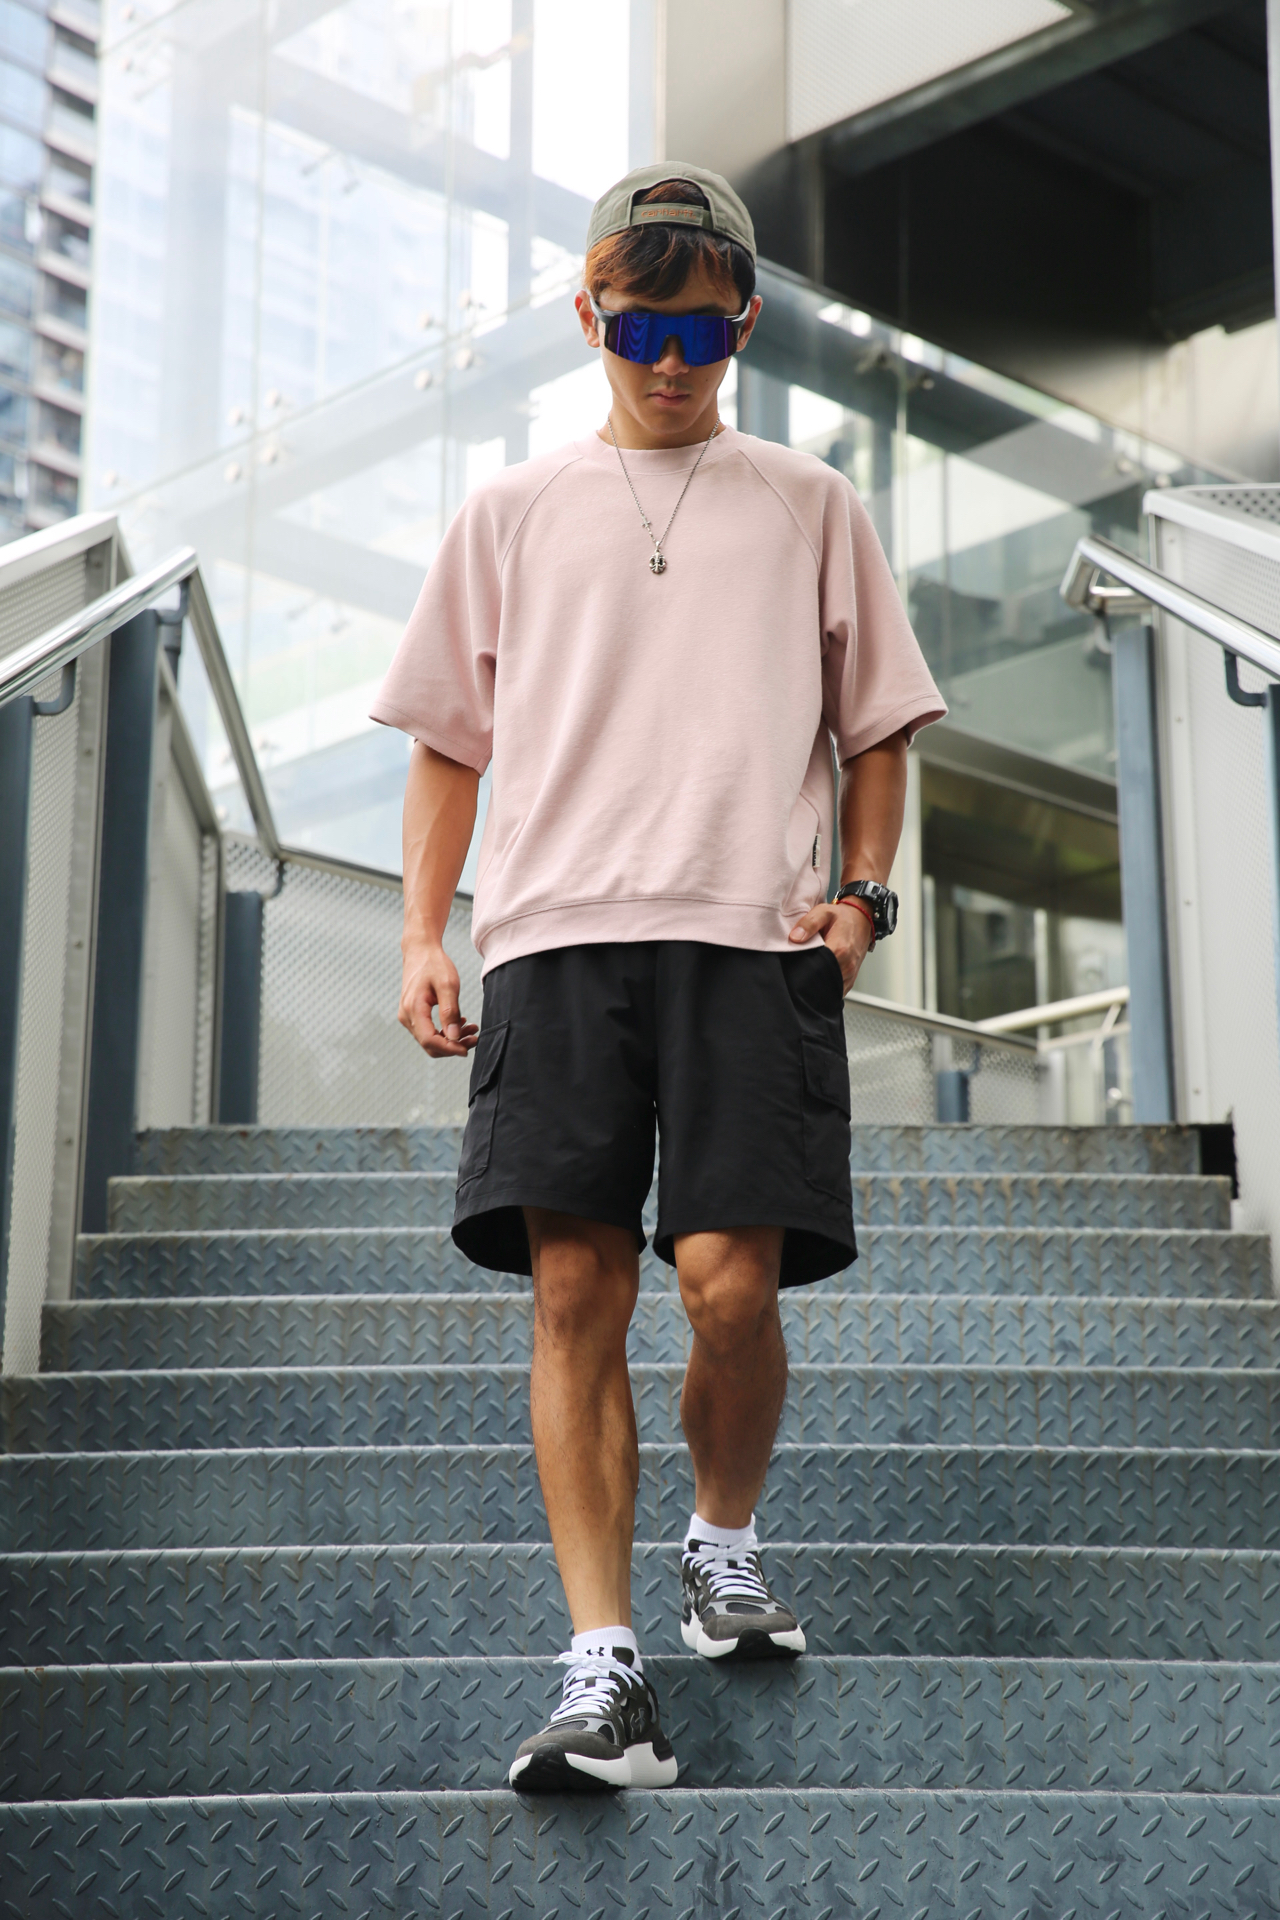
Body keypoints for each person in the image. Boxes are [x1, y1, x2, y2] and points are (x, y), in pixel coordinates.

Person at [371, 161, 945, 1793]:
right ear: (590, 318)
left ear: (744, 323)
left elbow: (880, 731)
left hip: (754, 940)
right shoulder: (510, 513)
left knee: (729, 1288)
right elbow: (447, 745)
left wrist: (862, 901)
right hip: (555, 938)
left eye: (701, 330)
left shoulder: (811, 503)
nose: (671, 361)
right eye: (640, 328)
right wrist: (423, 933)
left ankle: (723, 1538)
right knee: (576, 1291)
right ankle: (603, 1666)